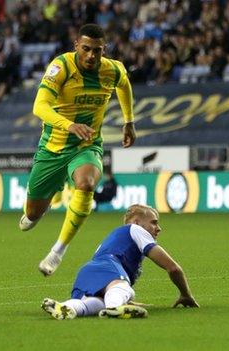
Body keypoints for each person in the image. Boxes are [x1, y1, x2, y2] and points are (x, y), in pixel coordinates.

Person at [19, 23, 136, 276]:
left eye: (98, 50)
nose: (92, 55)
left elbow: (124, 85)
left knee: (86, 183)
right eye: (86, 49)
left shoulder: (112, 69)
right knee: (31, 216)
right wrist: (69, 125)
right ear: (76, 47)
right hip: (53, 148)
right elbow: (40, 107)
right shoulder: (61, 67)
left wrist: (129, 121)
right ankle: (44, 203)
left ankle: (57, 251)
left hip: (87, 145)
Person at [41, 204, 198, 319]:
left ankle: (66, 307)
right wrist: (186, 294)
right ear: (136, 222)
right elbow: (173, 268)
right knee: (124, 289)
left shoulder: (116, 238)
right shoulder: (135, 230)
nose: (158, 228)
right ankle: (115, 307)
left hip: (87, 272)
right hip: (109, 266)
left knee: (93, 304)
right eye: (154, 222)